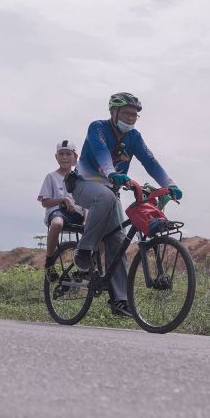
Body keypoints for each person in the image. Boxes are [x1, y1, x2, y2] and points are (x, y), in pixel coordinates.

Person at [69, 92, 182, 317]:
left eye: (135, 115)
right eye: (127, 113)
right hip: (84, 184)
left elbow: (150, 161)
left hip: (110, 189)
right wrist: (111, 173)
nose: (131, 118)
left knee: (118, 241)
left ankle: (120, 300)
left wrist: (170, 183)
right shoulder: (97, 128)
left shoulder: (134, 137)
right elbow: (102, 154)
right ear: (114, 112)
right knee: (107, 197)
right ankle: (84, 249)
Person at [38, 140, 85, 275]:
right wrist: (63, 200)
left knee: (101, 232)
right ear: (56, 156)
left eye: (68, 154)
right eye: (61, 154)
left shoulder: (80, 178)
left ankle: (90, 264)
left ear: (75, 156)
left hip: (78, 213)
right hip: (57, 212)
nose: (64, 157)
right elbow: (45, 202)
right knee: (57, 223)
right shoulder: (51, 177)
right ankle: (49, 262)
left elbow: (86, 201)